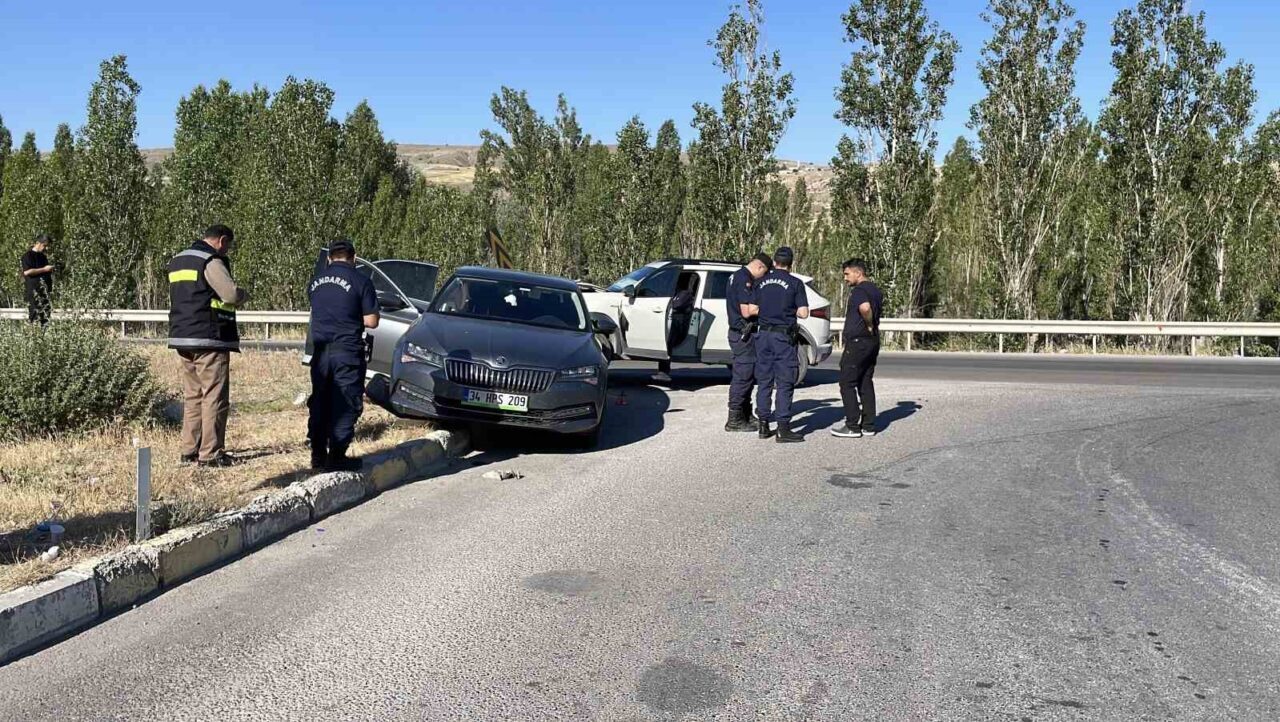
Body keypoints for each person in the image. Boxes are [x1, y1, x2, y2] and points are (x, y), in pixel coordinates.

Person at [167, 224, 248, 468]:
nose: (228, 251)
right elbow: (230, 294)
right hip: (210, 336)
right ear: (221, 240)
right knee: (214, 396)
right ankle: (211, 453)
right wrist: (243, 294)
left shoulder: (178, 260)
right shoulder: (210, 261)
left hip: (182, 336)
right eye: (228, 246)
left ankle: (189, 450)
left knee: (193, 396)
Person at [307, 239, 379, 471]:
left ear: (329, 258)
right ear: (354, 258)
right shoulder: (361, 281)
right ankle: (336, 457)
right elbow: (372, 321)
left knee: (320, 401)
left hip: (320, 353)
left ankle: (317, 455)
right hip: (346, 351)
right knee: (345, 403)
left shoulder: (316, 282)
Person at [753, 246, 809, 443]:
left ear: (774, 262)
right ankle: (783, 429)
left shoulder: (760, 282)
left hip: (763, 336)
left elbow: (752, 308)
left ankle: (763, 425)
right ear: (791, 263)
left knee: (764, 381)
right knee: (785, 381)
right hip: (783, 338)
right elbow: (803, 313)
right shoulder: (795, 283)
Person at [832, 258, 884, 438]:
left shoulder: (860, 290)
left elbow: (865, 308)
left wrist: (868, 324)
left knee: (847, 382)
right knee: (865, 381)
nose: (845, 278)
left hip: (858, 342)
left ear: (858, 273)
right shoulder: (875, 289)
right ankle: (869, 425)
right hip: (872, 341)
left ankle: (852, 425)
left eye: (847, 274)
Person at [724, 252, 772, 431]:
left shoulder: (737, 276)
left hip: (745, 334)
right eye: (765, 273)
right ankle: (734, 418)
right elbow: (746, 311)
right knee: (743, 376)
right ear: (760, 267)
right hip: (742, 334)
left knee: (749, 375)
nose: (764, 277)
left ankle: (745, 413)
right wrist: (771, 306)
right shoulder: (743, 278)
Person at [655, 275, 699, 383]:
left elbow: (677, 305)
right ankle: (663, 370)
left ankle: (664, 370)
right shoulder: (676, 294)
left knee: (668, 342)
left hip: (680, 325)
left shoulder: (685, 294)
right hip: (675, 323)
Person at [20, 234, 55, 325]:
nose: (46, 248)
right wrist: (45, 269)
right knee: (34, 317)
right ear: (38, 243)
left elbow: (46, 273)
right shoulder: (27, 256)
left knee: (45, 318)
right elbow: (27, 272)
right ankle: (33, 337)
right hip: (34, 292)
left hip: (45, 292)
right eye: (45, 246)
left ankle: (43, 337)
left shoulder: (43, 257)